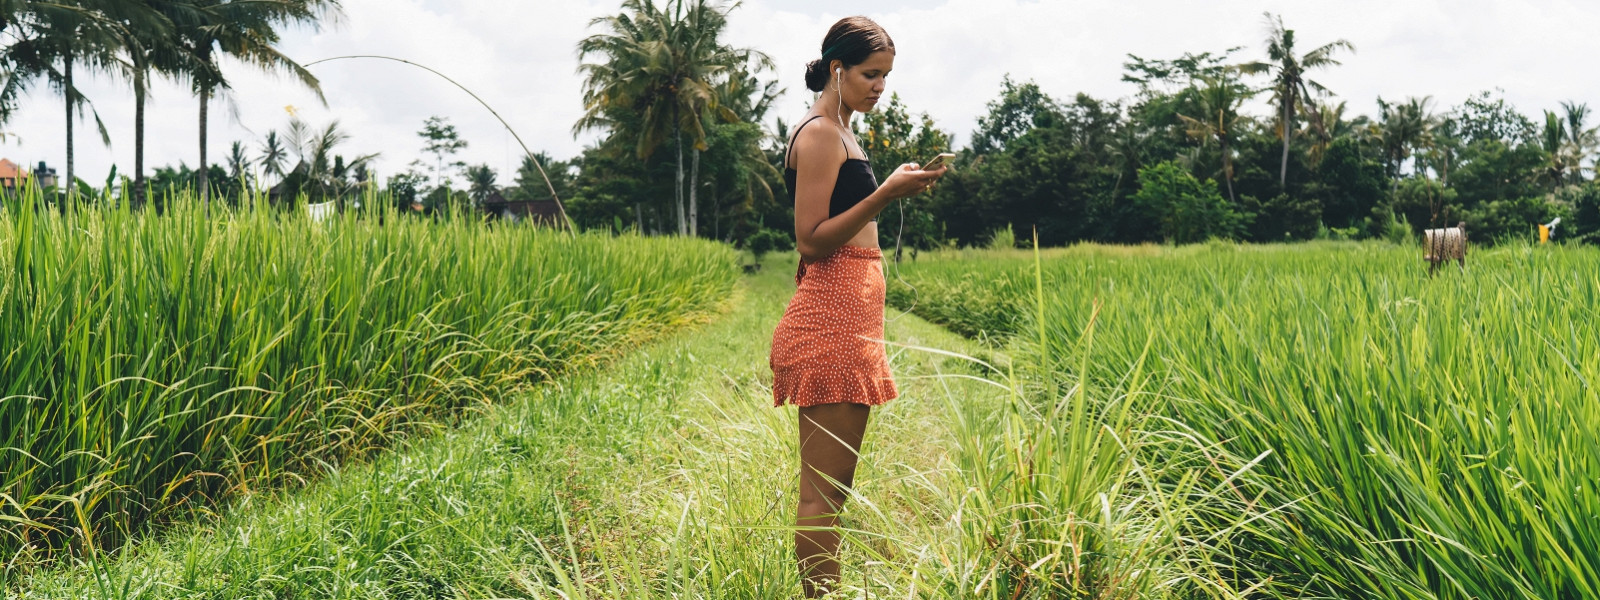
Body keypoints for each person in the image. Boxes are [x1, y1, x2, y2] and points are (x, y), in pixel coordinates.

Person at [767, 15, 946, 598]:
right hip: (831, 321)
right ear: (837, 69)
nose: (880, 87)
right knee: (822, 495)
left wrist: (889, 189)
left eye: (887, 77)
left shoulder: (843, 131)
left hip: (852, 322)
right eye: (871, 74)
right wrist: (885, 193)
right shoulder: (819, 133)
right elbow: (812, 239)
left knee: (834, 492)